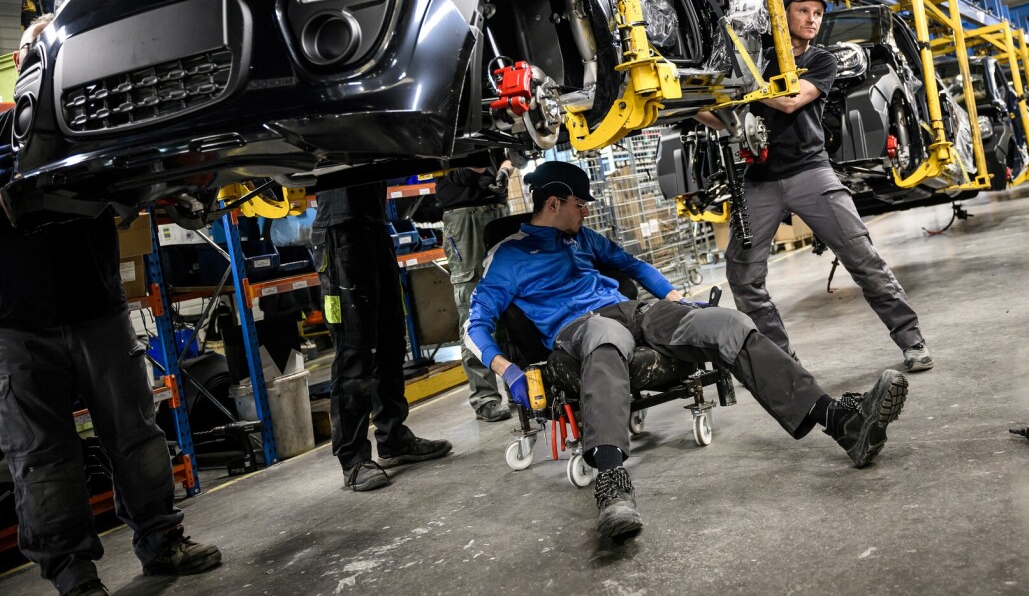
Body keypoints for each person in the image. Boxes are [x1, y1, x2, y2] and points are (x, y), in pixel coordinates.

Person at [462, 160, 909, 540]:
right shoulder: (509, 256)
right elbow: (475, 324)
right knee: (604, 335)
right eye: (580, 204)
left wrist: (676, 301)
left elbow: (632, 265)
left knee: (727, 322)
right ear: (554, 203)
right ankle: (612, 486)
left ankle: (842, 422)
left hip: (630, 312)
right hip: (576, 331)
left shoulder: (583, 238)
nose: (586, 211)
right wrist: (508, 371)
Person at [0, 16, 221, 596]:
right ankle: (74, 575)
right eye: (40, 53)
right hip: (17, 325)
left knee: (136, 435)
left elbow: (161, 184)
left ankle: (161, 540)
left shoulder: (103, 132)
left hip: (98, 308)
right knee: (42, 457)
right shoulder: (1, 133)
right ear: (23, 65)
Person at [699, 0, 932, 372]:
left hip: (811, 173)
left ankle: (912, 340)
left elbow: (790, 101)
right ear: (783, 14)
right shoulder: (755, 60)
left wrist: (741, 89)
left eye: (818, 14)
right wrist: (691, 101)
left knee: (862, 257)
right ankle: (782, 363)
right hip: (759, 181)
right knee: (743, 275)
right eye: (804, 11)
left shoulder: (820, 60)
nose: (812, 20)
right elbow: (722, 117)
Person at [312, 182, 452, 492]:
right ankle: (353, 460)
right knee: (354, 349)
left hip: (375, 226)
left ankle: (393, 440)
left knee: (391, 341)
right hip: (339, 230)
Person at [436, 160, 515, 422]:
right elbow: (460, 171)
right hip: (464, 217)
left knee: (513, 304)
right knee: (473, 309)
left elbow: (511, 156)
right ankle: (485, 398)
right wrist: (480, 169)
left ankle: (519, 384)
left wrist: (505, 169)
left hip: (499, 210)